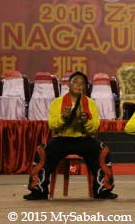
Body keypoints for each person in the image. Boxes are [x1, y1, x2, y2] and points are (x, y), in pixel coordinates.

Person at [23, 71, 117, 200]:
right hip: (62, 139)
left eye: (82, 84)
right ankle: (38, 189)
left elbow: (95, 127)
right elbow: (52, 125)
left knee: (102, 149)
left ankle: (103, 189)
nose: (78, 86)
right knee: (42, 150)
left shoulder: (91, 103)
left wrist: (85, 121)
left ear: (85, 87)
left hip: (84, 139)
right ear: (68, 84)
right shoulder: (57, 102)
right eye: (75, 82)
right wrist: (63, 117)